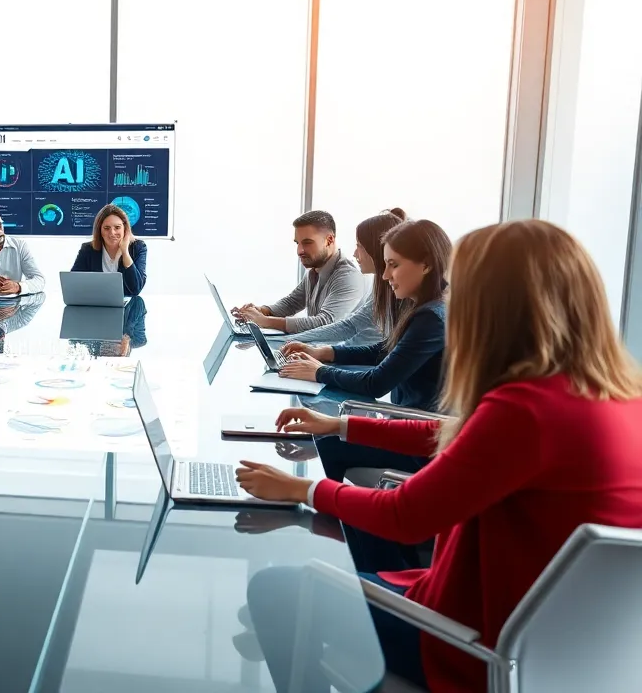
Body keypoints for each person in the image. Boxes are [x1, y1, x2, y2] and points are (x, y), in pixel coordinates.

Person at [236, 219, 642, 693]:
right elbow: (457, 434)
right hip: (564, 655)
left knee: (276, 589)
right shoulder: (614, 398)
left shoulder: (524, 409)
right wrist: (342, 424)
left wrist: (302, 488)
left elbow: (405, 515)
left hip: (469, 645)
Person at [277, 219, 451, 414]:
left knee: (321, 432)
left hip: (420, 432)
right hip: (409, 422)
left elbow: (376, 383)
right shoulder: (429, 306)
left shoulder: (432, 318)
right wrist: (324, 352)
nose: (385, 275)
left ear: (426, 265)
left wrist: (318, 371)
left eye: (393, 265)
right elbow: (387, 349)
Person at [286, 208, 407, 347]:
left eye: (359, 246)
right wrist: (291, 342)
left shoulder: (350, 275)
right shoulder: (381, 288)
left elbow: (366, 343)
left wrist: (321, 356)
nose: (355, 254)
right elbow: (349, 326)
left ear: (376, 249)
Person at [233, 210, 366, 333]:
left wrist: (265, 321)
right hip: (314, 349)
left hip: (337, 354)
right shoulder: (314, 269)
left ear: (329, 240)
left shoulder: (348, 276)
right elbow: (292, 303)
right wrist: (261, 311)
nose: (300, 251)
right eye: (298, 243)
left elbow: (325, 323)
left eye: (307, 243)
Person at [69, 204, 147, 296]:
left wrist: (125, 253)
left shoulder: (138, 247)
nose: (112, 233)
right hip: (95, 305)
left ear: (124, 228)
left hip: (128, 308)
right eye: (106, 228)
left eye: (117, 227)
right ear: (100, 230)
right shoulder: (87, 249)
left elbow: (135, 289)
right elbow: (73, 284)